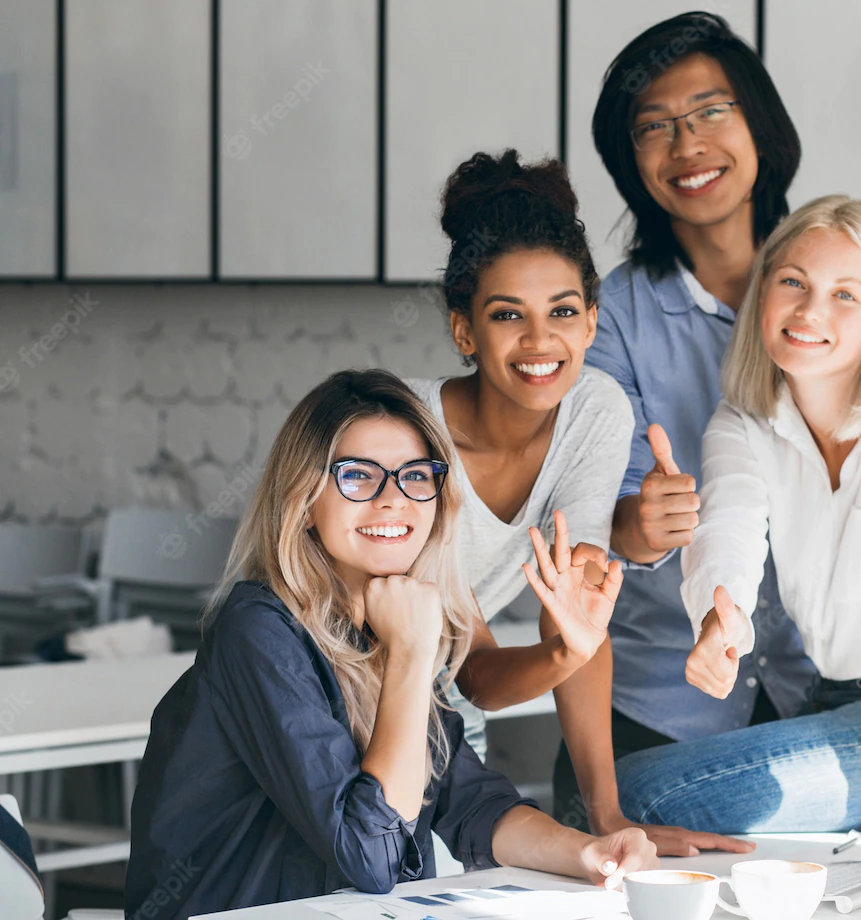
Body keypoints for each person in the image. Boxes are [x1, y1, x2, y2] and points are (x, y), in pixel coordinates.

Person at [555, 11, 861, 829]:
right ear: (629, 162)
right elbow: (686, 523)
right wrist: (662, 552)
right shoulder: (628, 334)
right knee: (606, 818)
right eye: (655, 128)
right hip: (677, 699)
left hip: (856, 705)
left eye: (711, 111)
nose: (688, 144)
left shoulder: (850, 278)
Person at [125, 370, 655, 920]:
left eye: (414, 476)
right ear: (304, 501)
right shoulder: (259, 630)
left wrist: (588, 852)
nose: (392, 500)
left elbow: (470, 801)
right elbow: (371, 855)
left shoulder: (387, 619)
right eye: (358, 477)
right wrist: (409, 653)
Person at [617, 195, 861, 831]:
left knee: (643, 794)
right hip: (833, 703)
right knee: (612, 788)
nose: (809, 311)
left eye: (845, 295)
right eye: (793, 282)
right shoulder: (744, 422)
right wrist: (721, 623)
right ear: (764, 290)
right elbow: (728, 532)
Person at [404, 149, 748, 857]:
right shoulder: (405, 437)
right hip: (320, 708)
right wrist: (566, 645)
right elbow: (478, 669)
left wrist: (608, 814)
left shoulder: (592, 410)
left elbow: (581, 612)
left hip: (439, 726)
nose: (540, 341)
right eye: (508, 315)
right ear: (464, 329)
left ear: (592, 322)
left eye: (563, 311)